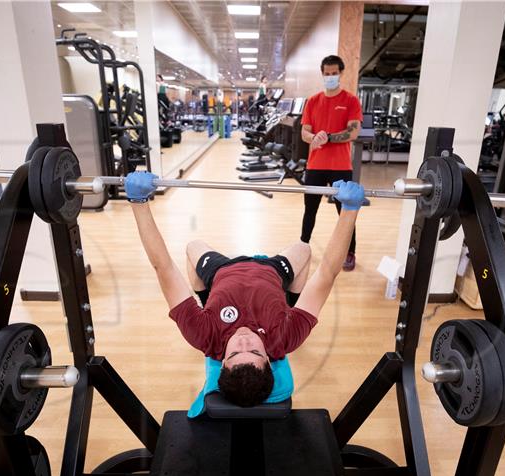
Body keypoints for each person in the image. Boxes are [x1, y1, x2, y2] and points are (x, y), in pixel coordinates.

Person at [123, 171, 366, 407]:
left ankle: (207, 298)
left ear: (221, 362)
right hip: (271, 272)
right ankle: (290, 303)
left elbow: (164, 268)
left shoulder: (203, 334)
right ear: (271, 361)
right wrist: (349, 211)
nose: (244, 340)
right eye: (255, 351)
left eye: (235, 353)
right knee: (304, 249)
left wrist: (138, 201)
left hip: (222, 271)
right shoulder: (286, 337)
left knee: (193, 245)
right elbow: (326, 273)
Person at [300, 55, 363, 271]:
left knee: (345, 211)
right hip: (315, 166)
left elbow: (353, 132)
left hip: (340, 167)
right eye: (326, 74)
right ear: (322, 74)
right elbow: (304, 132)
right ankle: (302, 248)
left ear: (341, 73)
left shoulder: (351, 101)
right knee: (310, 210)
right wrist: (313, 138)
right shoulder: (313, 101)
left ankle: (350, 252)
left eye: (334, 73)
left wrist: (327, 136)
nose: (330, 77)